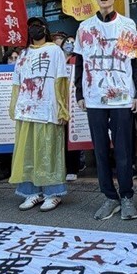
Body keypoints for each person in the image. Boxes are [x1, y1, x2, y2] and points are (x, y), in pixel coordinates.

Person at [74, 0, 137, 221]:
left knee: (123, 149)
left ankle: (126, 197)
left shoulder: (127, 25)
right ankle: (109, 197)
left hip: (122, 96)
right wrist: (79, 92)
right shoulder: (84, 28)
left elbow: (136, 63)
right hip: (94, 97)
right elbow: (80, 63)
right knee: (101, 150)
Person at [9, 18, 69, 211]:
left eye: (39, 26)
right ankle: (31, 192)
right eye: (32, 26)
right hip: (26, 109)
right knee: (27, 152)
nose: (35, 29)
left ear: (45, 29)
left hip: (47, 109)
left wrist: (62, 108)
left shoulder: (55, 51)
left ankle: (53, 193)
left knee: (48, 151)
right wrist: (14, 106)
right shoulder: (23, 54)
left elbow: (62, 80)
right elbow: (16, 82)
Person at [62, 35, 81, 182]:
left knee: (73, 136)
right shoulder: (57, 59)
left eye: (73, 42)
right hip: (59, 102)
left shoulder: (78, 59)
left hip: (74, 102)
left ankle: (73, 168)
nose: (69, 44)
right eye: (67, 42)